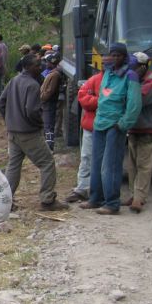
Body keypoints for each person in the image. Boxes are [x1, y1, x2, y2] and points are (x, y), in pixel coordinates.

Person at [0, 54, 67, 211]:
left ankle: (4, 201)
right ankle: (47, 200)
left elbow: (0, 103)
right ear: (27, 67)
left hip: (13, 132)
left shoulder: (14, 80)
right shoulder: (32, 85)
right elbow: (31, 110)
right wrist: (39, 123)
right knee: (47, 163)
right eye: (37, 64)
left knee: (13, 166)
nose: (40, 66)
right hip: (28, 133)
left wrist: (9, 120)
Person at [79, 43, 142, 215]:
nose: (114, 58)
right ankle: (95, 198)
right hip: (99, 123)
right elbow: (102, 97)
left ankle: (112, 203)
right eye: (112, 55)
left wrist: (123, 124)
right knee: (96, 163)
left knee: (111, 165)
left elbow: (134, 105)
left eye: (118, 55)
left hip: (115, 125)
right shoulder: (108, 73)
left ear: (124, 57)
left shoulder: (130, 76)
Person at [125, 52, 152, 213]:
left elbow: (138, 99)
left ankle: (139, 198)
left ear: (143, 66)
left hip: (148, 128)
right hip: (134, 128)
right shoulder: (136, 79)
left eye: (134, 67)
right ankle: (133, 195)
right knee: (132, 165)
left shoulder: (151, 81)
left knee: (144, 165)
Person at [65, 68, 104, 203]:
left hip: (108, 128)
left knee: (105, 160)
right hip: (91, 127)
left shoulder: (118, 80)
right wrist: (102, 100)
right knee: (86, 157)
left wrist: (97, 99)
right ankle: (82, 188)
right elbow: (83, 98)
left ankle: (99, 191)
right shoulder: (93, 80)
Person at [40, 53, 61, 151]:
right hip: (48, 101)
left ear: (51, 63)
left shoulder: (55, 75)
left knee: (48, 124)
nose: (45, 63)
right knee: (47, 123)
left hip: (49, 102)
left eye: (47, 62)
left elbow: (50, 91)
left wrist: (42, 98)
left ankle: (50, 146)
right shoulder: (52, 73)